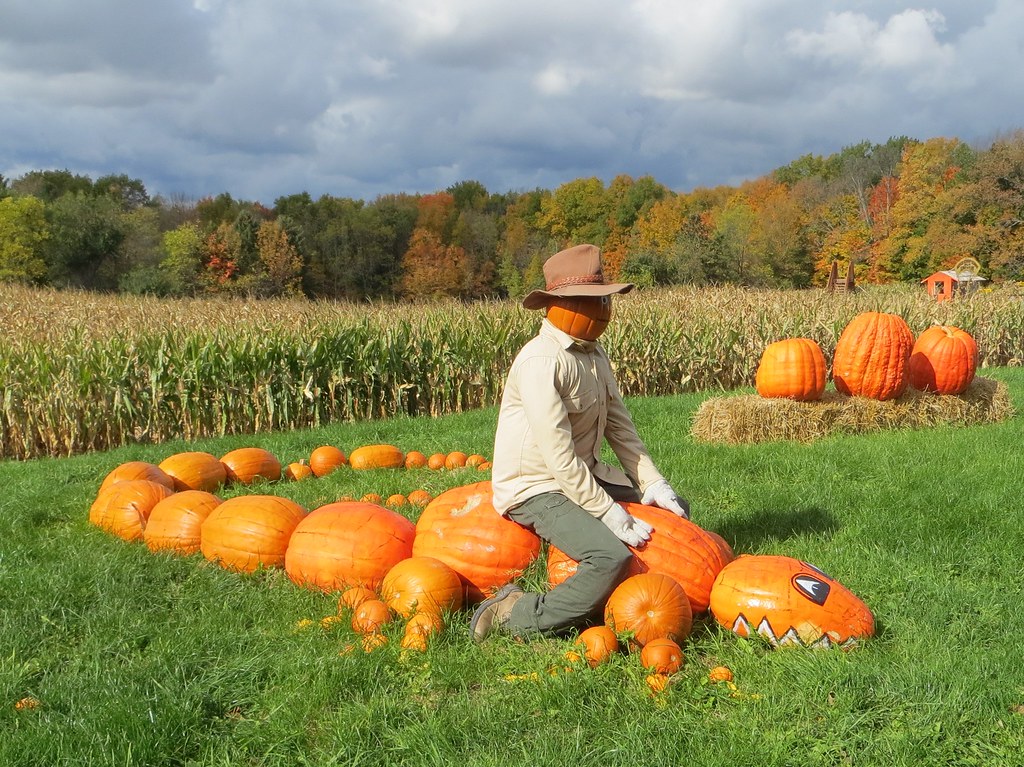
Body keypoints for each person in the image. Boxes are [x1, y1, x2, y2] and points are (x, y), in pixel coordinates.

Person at [470, 243, 690, 642]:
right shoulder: (541, 361)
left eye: (604, 299)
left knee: (674, 513)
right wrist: (610, 514)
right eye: (590, 301)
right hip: (536, 487)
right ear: (558, 304)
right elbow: (557, 459)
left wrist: (652, 483)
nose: (602, 309)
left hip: (582, 475)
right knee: (609, 557)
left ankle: (654, 600)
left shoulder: (593, 354)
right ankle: (514, 612)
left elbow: (620, 426)